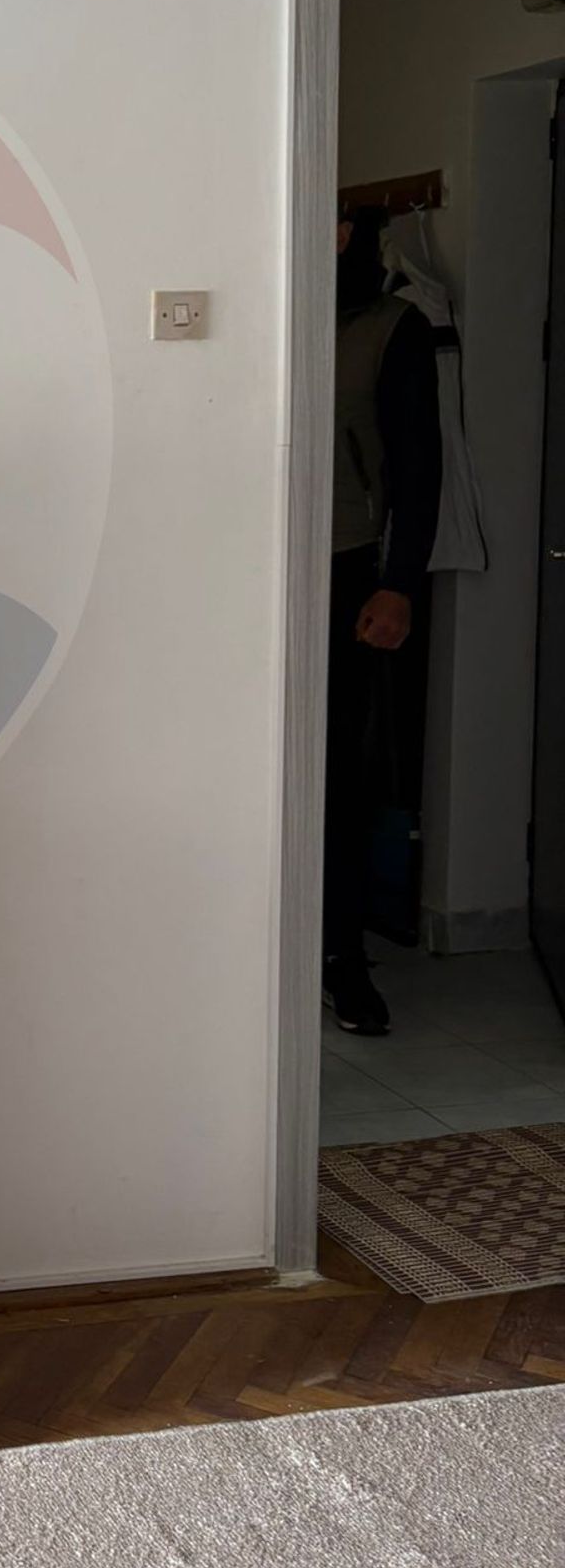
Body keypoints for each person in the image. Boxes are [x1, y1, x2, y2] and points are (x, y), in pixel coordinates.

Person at [324, 205, 442, 1034]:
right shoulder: (256, 301)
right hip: (243, 575)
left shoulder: (392, 326)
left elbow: (418, 465)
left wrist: (400, 584)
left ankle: (341, 955)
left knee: (338, 774)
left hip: (346, 571)